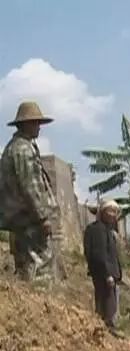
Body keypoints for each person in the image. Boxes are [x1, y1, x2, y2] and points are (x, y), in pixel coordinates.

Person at [0, 101, 58, 281]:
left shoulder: (15, 147)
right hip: (29, 221)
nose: (39, 128)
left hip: (22, 221)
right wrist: (43, 217)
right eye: (35, 123)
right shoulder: (23, 150)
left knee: (25, 268)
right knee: (40, 271)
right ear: (25, 124)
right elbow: (30, 187)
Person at [83, 199, 122, 335]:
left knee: (106, 302)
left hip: (105, 273)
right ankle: (108, 330)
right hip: (104, 274)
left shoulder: (105, 230)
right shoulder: (99, 230)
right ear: (102, 212)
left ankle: (104, 329)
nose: (113, 215)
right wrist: (107, 274)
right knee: (108, 304)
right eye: (110, 211)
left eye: (115, 212)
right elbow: (99, 254)